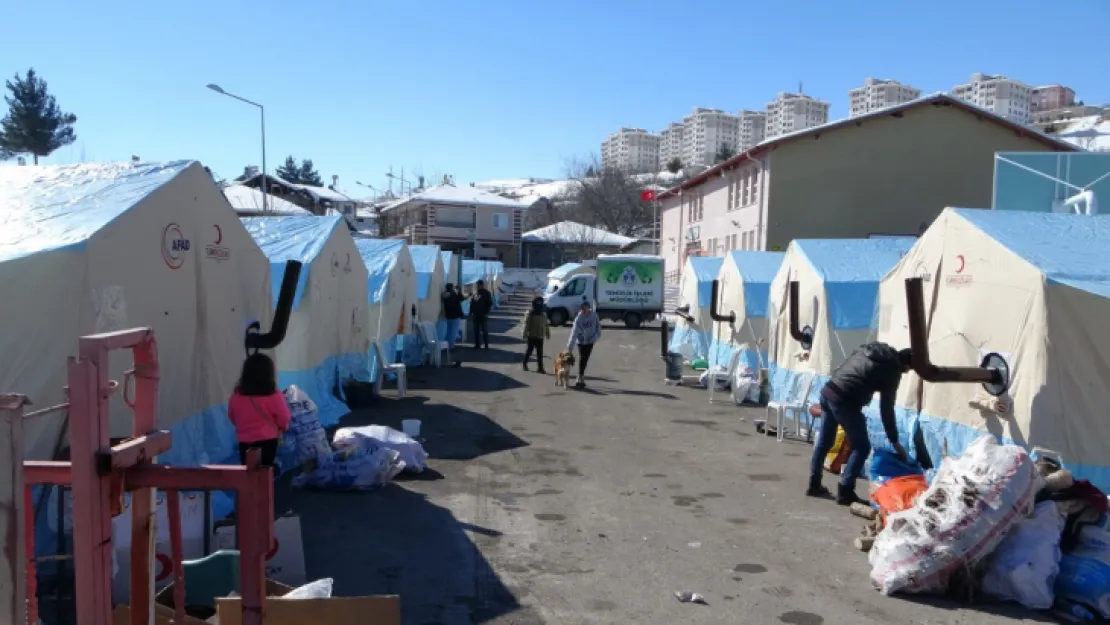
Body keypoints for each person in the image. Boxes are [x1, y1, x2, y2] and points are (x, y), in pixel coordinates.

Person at [807, 342, 913, 506]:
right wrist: (894, 440)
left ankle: (814, 484)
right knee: (862, 447)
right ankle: (845, 491)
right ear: (906, 366)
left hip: (828, 390)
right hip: (844, 400)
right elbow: (886, 407)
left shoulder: (870, 348)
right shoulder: (892, 370)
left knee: (825, 441)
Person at [227, 353, 290, 467]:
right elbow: (284, 417)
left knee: (248, 473)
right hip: (268, 441)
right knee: (266, 472)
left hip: (244, 441)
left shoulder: (236, 396)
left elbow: (232, 416)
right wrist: (282, 428)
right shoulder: (274, 396)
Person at [566, 300, 601, 388]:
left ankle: (581, 376)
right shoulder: (578, 319)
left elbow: (598, 329)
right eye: (582, 309)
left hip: (590, 341)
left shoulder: (594, 316)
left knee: (586, 359)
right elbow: (573, 334)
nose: (583, 311)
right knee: (582, 357)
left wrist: (594, 338)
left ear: (588, 308)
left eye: (585, 309)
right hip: (581, 341)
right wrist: (569, 348)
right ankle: (579, 377)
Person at [522, 296, 550, 373]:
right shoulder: (530, 313)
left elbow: (546, 325)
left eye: (540, 303)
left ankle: (540, 368)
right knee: (529, 351)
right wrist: (524, 333)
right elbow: (526, 324)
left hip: (540, 336)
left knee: (540, 353)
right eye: (537, 303)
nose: (539, 304)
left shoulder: (543, 314)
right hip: (531, 336)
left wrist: (547, 333)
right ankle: (524, 363)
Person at [471, 280, 494, 349]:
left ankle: (486, 344)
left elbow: (490, 303)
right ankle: (477, 345)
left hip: (483, 314)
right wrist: (471, 311)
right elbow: (472, 303)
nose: (477, 286)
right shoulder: (475, 293)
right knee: (476, 331)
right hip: (476, 314)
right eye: (477, 285)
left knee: (484, 330)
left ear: (481, 285)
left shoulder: (486, 293)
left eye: (478, 285)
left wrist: (486, 312)